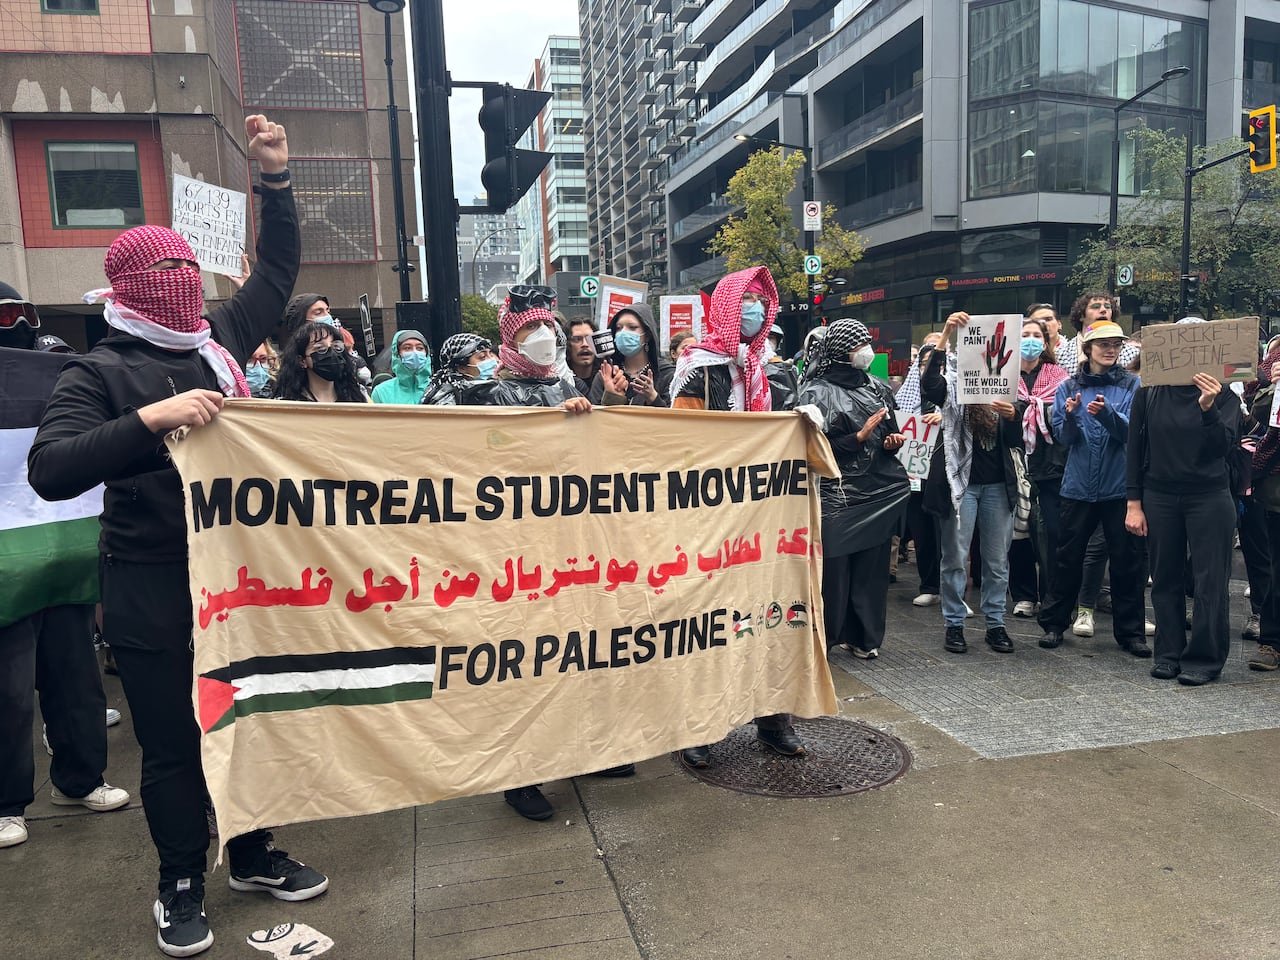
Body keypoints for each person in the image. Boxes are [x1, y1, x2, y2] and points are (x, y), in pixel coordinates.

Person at [27, 116, 328, 958]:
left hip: (239, 578)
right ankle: (179, 878)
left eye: (190, 270)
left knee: (247, 723)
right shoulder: (98, 371)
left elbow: (275, 271)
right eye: (166, 272)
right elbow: (52, 468)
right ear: (126, 287)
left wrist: (275, 177)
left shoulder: (219, 344)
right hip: (153, 585)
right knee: (170, 743)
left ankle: (253, 851)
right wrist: (148, 420)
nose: (184, 282)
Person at [459, 289, 630, 820]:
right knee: (527, 663)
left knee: (581, 651)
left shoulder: (565, 384)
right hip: (519, 551)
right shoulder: (491, 394)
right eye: (531, 329)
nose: (545, 339)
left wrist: (594, 412)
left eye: (548, 329)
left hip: (573, 544)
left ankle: (587, 751)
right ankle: (523, 773)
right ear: (510, 339)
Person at [1, 283, 130, 853]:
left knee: (75, 677)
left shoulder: (69, 380)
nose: (18, 325)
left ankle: (81, 780)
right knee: (9, 693)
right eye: (8, 316)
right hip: (8, 564)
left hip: (64, 550)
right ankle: (6, 803)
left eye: (23, 314)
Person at [669, 265, 807, 764]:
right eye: (743, 300)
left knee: (770, 619)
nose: (753, 309)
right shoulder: (698, 369)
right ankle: (699, 728)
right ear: (726, 307)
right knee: (709, 625)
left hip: (768, 519)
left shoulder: (776, 368)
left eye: (759, 300)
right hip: (711, 519)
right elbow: (682, 446)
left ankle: (773, 719)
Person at [1126, 326, 1239, 684]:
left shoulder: (1224, 395)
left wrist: (1208, 409)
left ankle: (1205, 658)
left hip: (1209, 495)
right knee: (1164, 577)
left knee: (1209, 581)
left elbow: (1223, 448)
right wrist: (1134, 502)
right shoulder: (1149, 391)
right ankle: (1169, 652)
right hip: (1160, 495)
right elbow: (1135, 448)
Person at [798, 319, 909, 660]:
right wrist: (855, 439)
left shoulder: (877, 388)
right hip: (836, 494)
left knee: (871, 571)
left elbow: (889, 433)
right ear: (840, 350)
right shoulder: (815, 392)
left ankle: (864, 637)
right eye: (857, 343)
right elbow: (807, 446)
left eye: (865, 341)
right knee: (834, 572)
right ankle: (825, 637)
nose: (865, 350)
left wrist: (891, 442)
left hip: (876, 489)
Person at [1037, 319, 1149, 656]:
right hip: (1078, 486)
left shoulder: (1133, 385)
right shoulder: (1067, 387)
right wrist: (1070, 417)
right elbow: (1063, 439)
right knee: (1067, 558)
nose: (1111, 350)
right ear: (1088, 349)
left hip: (1118, 488)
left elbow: (1133, 434)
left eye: (1116, 344)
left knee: (1127, 562)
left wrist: (1106, 415)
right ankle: (1055, 624)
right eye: (1103, 345)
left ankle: (1130, 633)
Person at [922, 313, 1024, 655]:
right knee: (955, 557)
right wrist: (947, 333)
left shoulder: (1007, 390)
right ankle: (954, 624)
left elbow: (1017, 440)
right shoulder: (952, 387)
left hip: (998, 486)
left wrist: (1013, 416)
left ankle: (996, 623)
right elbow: (929, 385)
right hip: (961, 485)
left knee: (996, 561)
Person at [1009, 316, 1070, 617]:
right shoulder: (1002, 377)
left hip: (1051, 466)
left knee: (1053, 533)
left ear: (1046, 343)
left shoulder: (1061, 377)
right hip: (1013, 463)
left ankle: (1052, 595)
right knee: (1017, 533)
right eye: (1024, 334)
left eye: (1037, 335)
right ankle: (1023, 594)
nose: (1030, 340)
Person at [894, 333, 944, 607]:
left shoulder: (951, 397)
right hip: (915, 477)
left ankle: (953, 589)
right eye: (925, 362)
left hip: (945, 476)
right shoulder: (907, 399)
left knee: (947, 534)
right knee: (923, 532)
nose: (930, 368)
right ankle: (929, 584)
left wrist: (945, 418)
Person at [589, 304, 669, 407]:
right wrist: (612, 398)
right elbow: (594, 419)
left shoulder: (666, 374)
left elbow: (675, 420)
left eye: (632, 327)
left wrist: (653, 398)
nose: (623, 332)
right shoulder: (606, 375)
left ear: (648, 335)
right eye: (619, 328)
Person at [274, 321, 369, 403]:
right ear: (302, 361)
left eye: (336, 346)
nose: (331, 352)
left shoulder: (358, 396)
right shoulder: (288, 404)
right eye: (320, 348)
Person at [419, 332, 496, 406]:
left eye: (491, 354)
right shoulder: (447, 398)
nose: (492, 360)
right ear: (461, 367)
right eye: (482, 357)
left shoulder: (495, 388)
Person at [371, 329, 432, 404]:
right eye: (407, 348)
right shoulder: (381, 392)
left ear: (427, 353)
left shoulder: (439, 390)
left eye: (420, 348)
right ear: (397, 354)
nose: (415, 353)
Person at [564, 316, 599, 396]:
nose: (585, 344)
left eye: (589, 338)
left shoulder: (607, 378)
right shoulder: (560, 382)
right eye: (577, 339)